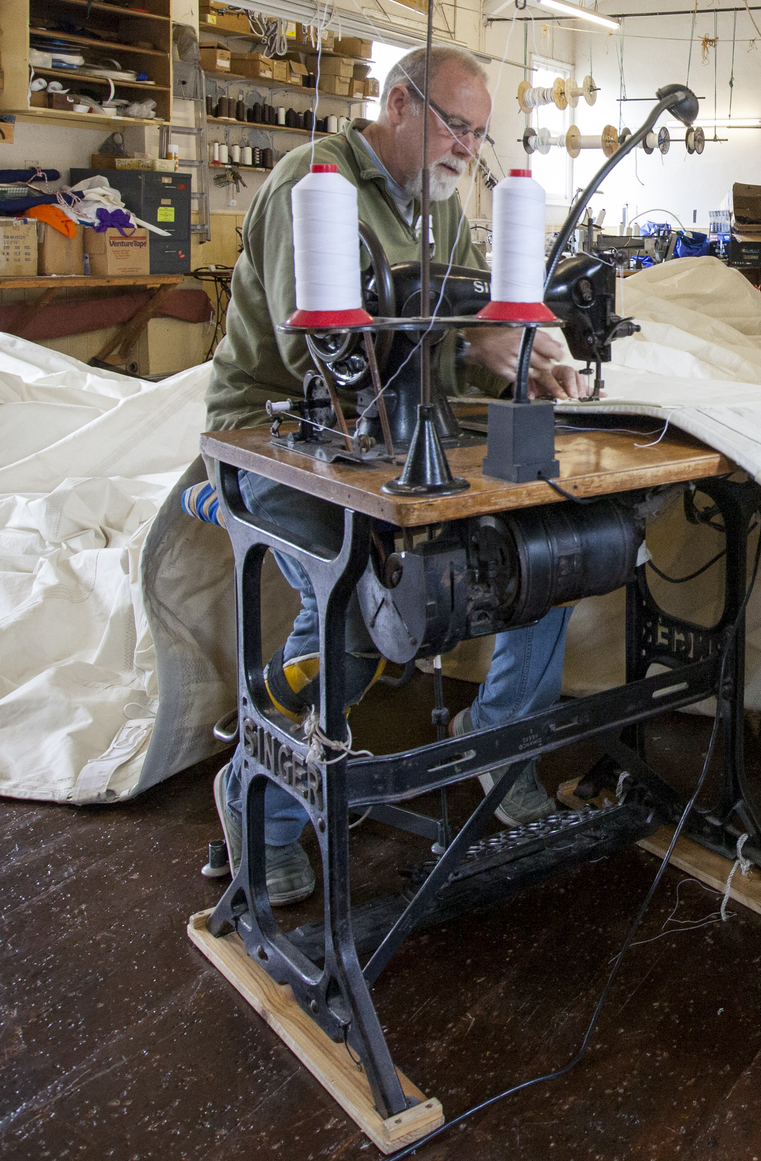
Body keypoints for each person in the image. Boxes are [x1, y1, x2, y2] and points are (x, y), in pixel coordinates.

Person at [205, 45, 590, 903]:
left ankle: (495, 747)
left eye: (479, 134)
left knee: (552, 546)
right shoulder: (315, 185)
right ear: (397, 105)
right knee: (351, 595)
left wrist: (516, 362)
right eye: (457, 125)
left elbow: (460, 332)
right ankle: (256, 798)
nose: (466, 148)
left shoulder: (439, 207)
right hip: (277, 439)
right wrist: (467, 341)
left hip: (401, 433)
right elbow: (320, 350)